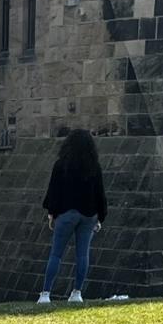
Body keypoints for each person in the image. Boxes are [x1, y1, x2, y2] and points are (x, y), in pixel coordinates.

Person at [37, 129, 107, 305]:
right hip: (89, 215)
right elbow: (100, 193)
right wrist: (101, 216)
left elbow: (54, 190)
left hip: (66, 213)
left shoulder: (61, 165)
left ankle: (45, 293)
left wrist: (51, 212)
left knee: (56, 254)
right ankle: (77, 293)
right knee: (83, 255)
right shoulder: (94, 166)